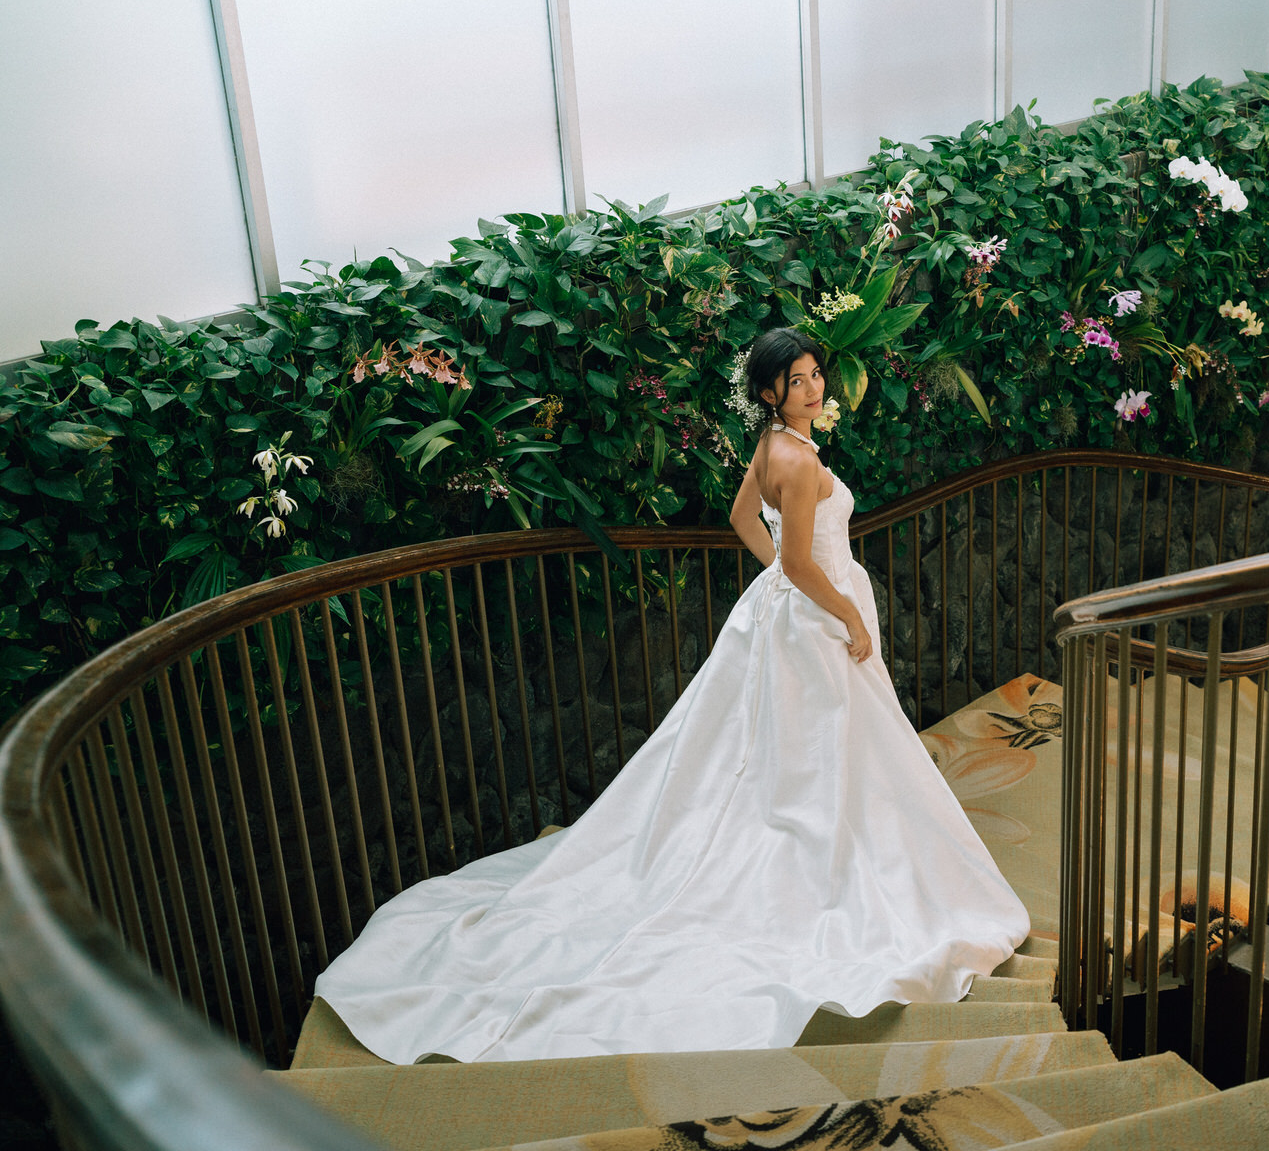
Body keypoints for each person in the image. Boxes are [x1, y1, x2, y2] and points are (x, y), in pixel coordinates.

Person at [313, 328, 1029, 1063]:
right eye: (799, 380)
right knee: (825, 749)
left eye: (817, 375)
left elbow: (742, 521)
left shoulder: (771, 448)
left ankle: (821, 840)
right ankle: (831, 865)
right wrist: (842, 609)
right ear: (769, 393)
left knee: (796, 749)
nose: (815, 388)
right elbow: (801, 561)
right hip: (816, 616)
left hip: (785, 611)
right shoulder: (803, 466)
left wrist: (782, 579)